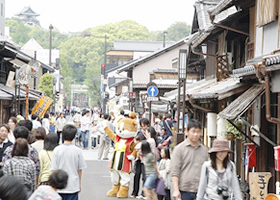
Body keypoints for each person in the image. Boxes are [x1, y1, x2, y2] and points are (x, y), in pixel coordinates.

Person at [170, 119, 208, 200]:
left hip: (200, 191)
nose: (196, 134)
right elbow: (175, 171)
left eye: (198, 132)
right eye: (193, 131)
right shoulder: (179, 149)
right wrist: (176, 190)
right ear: (187, 132)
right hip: (184, 190)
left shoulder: (204, 150)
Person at [51, 124, 87, 200]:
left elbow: (53, 169)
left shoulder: (57, 150)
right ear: (74, 136)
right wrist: (79, 184)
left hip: (59, 185)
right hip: (73, 185)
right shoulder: (78, 151)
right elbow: (80, 169)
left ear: (62, 135)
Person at [131, 118, 150, 198]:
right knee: (137, 174)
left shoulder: (150, 133)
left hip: (146, 157)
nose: (143, 128)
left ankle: (143, 193)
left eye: (145, 126)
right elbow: (135, 142)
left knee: (144, 176)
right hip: (139, 157)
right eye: (142, 126)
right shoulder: (139, 133)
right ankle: (135, 192)